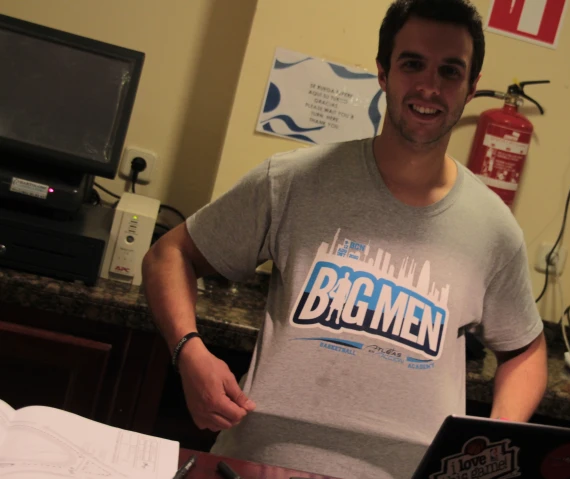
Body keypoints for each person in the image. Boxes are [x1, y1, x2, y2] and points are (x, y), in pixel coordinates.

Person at [142, 0, 548, 477]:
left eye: (450, 71)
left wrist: (493, 442)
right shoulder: (292, 181)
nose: (429, 87)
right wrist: (188, 351)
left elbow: (526, 350)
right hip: (261, 464)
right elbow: (168, 255)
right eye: (412, 64)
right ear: (382, 71)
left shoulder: (493, 227)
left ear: (471, 87)